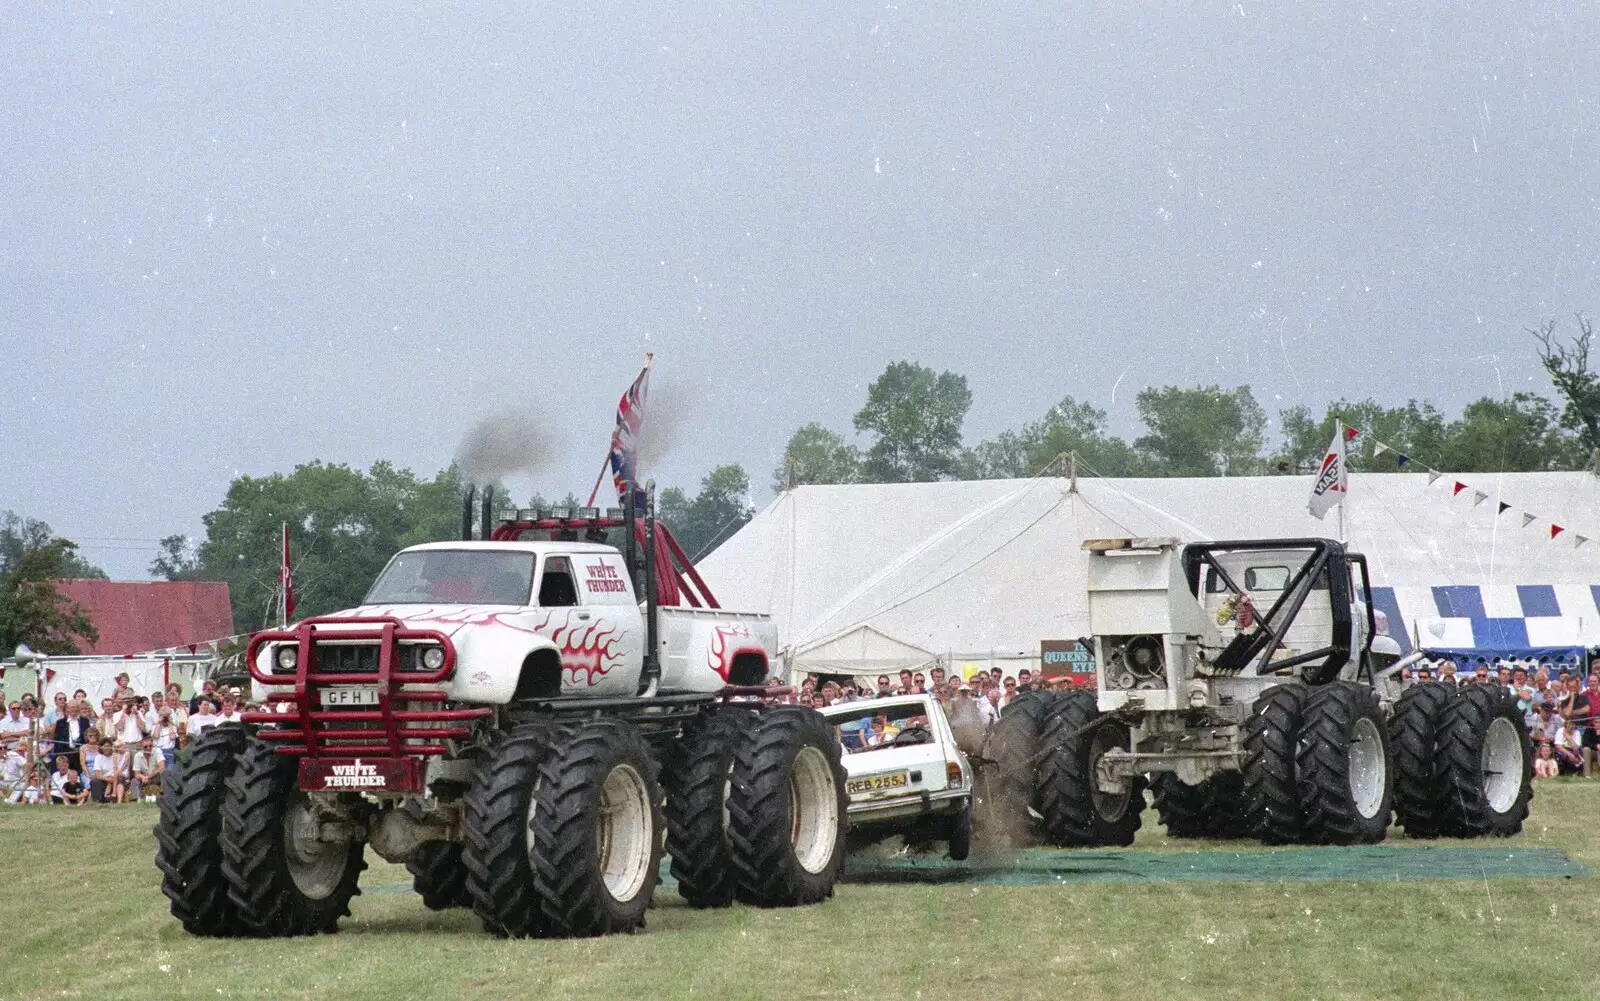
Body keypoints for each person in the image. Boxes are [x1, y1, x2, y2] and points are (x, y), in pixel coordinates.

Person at [131, 737, 163, 801]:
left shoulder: (157, 751)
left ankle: (163, 795)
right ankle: (138, 799)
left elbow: (162, 767)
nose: (148, 748)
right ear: (141, 747)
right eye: (145, 747)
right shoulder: (137, 755)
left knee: (165, 774)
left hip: (156, 777)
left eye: (150, 746)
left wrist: (148, 776)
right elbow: (137, 774)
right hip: (145, 779)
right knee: (134, 781)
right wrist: (142, 777)